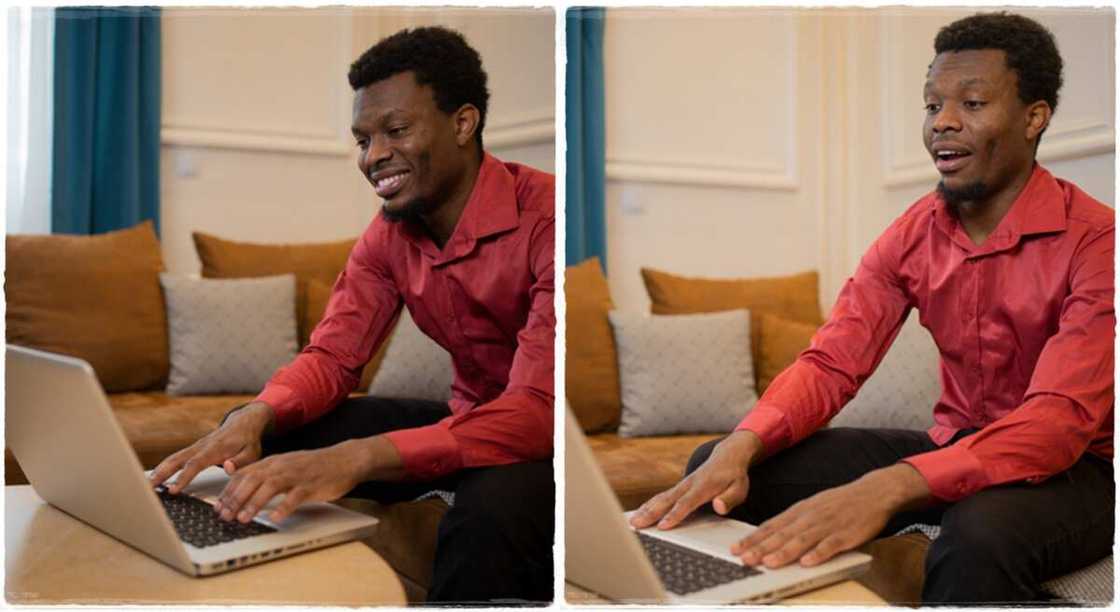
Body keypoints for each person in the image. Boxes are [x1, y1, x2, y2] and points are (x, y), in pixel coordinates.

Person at [631, 12, 1113, 605]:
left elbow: (1056, 423)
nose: (945, 123)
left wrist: (888, 487)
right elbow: (832, 362)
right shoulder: (913, 232)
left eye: (974, 102)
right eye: (932, 106)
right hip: (951, 443)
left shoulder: (1098, 241)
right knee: (723, 470)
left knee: (977, 536)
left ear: (1034, 117)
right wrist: (741, 443)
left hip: (1073, 469)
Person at [150, 26, 555, 604]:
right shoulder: (388, 233)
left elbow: (534, 414)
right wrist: (257, 414)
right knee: (280, 432)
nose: (373, 157)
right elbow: (335, 356)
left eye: (395, 131)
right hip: (464, 416)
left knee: (494, 506)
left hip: (540, 444)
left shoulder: (546, 218)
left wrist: (355, 458)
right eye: (363, 139)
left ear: (463, 124)